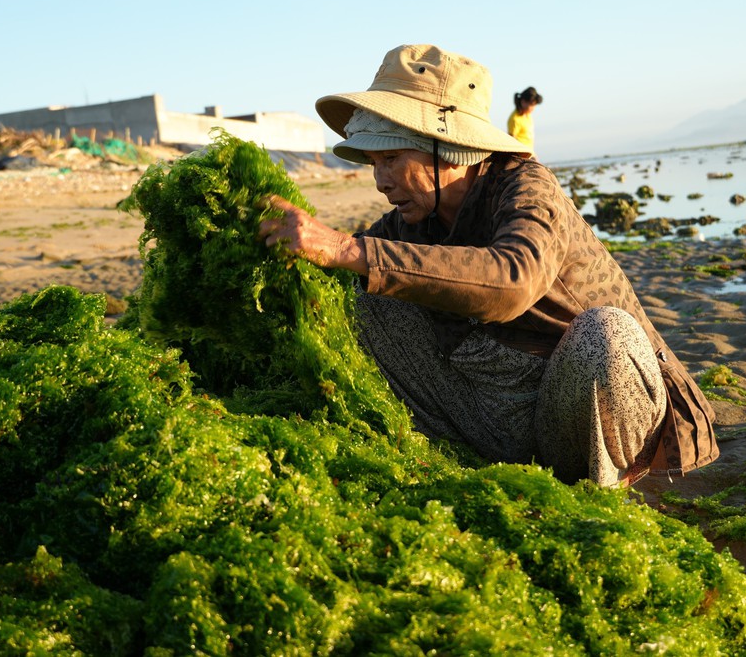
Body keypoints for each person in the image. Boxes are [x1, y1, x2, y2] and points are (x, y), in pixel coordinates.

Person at [258, 44, 718, 487]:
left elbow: (513, 280)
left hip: (572, 407)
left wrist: (344, 248)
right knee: (352, 296)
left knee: (608, 336)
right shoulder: (415, 216)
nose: (380, 181)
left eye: (392, 159)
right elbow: (350, 261)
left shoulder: (526, 188)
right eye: (373, 163)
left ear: (448, 147)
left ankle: (606, 488)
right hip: (487, 409)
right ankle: (443, 460)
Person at [507, 86, 543, 155]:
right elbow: (511, 141)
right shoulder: (514, 119)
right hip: (521, 156)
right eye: (532, 105)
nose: (533, 108)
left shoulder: (527, 115)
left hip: (530, 153)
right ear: (523, 102)